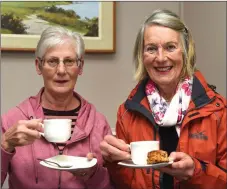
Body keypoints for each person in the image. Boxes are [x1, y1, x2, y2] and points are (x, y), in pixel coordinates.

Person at [100, 9, 227, 189]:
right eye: (151, 49)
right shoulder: (127, 113)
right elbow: (125, 183)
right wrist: (112, 161)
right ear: (141, 56)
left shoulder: (218, 111)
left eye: (170, 47)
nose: (160, 58)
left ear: (185, 52)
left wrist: (196, 171)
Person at [1, 26, 113, 189]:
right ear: (38, 66)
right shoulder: (13, 120)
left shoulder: (99, 124)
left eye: (69, 61)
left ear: (80, 67)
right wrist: (5, 146)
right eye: (52, 61)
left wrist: (94, 174)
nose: (61, 70)